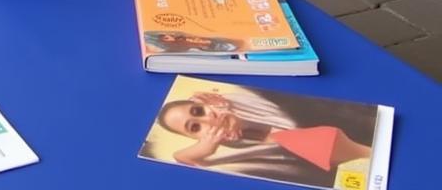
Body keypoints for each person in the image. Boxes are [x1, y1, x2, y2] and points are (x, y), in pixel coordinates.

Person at [153, 87, 375, 184]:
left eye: (198, 111)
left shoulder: (242, 103)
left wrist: (221, 103)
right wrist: (205, 147)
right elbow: (181, 156)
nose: (208, 120)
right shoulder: (232, 155)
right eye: (195, 127)